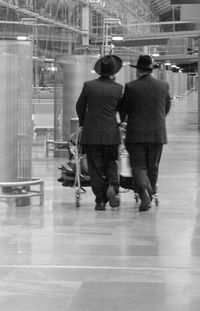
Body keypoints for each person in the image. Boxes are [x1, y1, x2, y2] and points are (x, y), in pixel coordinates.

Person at [119, 55, 171, 211]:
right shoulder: (163, 86)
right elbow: (166, 108)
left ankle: (145, 193)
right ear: (150, 70)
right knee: (152, 166)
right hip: (157, 134)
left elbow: (123, 109)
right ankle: (151, 191)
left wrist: (123, 121)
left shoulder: (131, 86)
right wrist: (157, 121)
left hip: (136, 134)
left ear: (138, 71)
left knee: (139, 166)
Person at [76, 54, 123, 210]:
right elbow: (122, 110)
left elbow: (79, 105)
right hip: (111, 134)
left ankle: (100, 201)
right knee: (111, 163)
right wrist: (119, 120)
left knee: (95, 168)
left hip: (92, 134)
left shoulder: (89, 86)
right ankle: (113, 186)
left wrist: (83, 123)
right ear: (113, 72)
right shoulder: (118, 88)